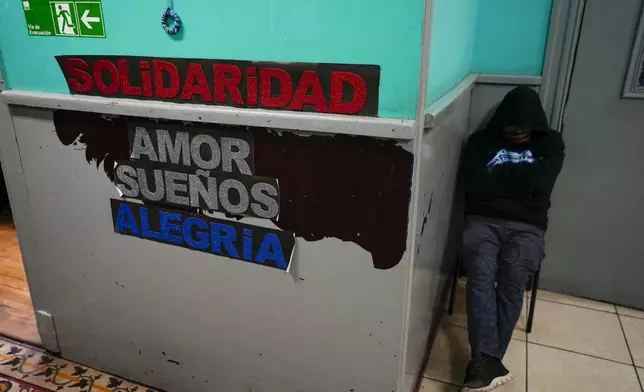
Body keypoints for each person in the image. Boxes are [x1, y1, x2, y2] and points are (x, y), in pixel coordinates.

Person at [459, 87, 565, 391]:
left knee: (513, 278)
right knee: (480, 276)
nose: (516, 134)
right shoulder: (480, 142)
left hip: (528, 226)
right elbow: (474, 183)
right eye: (510, 129)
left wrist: (498, 177)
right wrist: (523, 183)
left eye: (523, 130)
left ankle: (484, 360)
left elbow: (542, 183)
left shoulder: (551, 142)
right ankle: (488, 360)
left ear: (535, 125)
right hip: (482, 220)